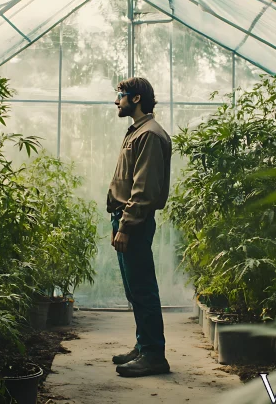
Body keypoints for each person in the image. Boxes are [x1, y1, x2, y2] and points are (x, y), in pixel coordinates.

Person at [107, 77, 172, 377]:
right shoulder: (137, 131)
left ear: (136, 99)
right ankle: (143, 345)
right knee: (135, 289)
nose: (116, 101)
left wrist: (127, 225)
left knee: (143, 289)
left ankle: (154, 355)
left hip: (134, 220)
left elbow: (144, 189)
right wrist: (117, 221)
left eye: (120, 95)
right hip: (125, 218)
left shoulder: (149, 135)